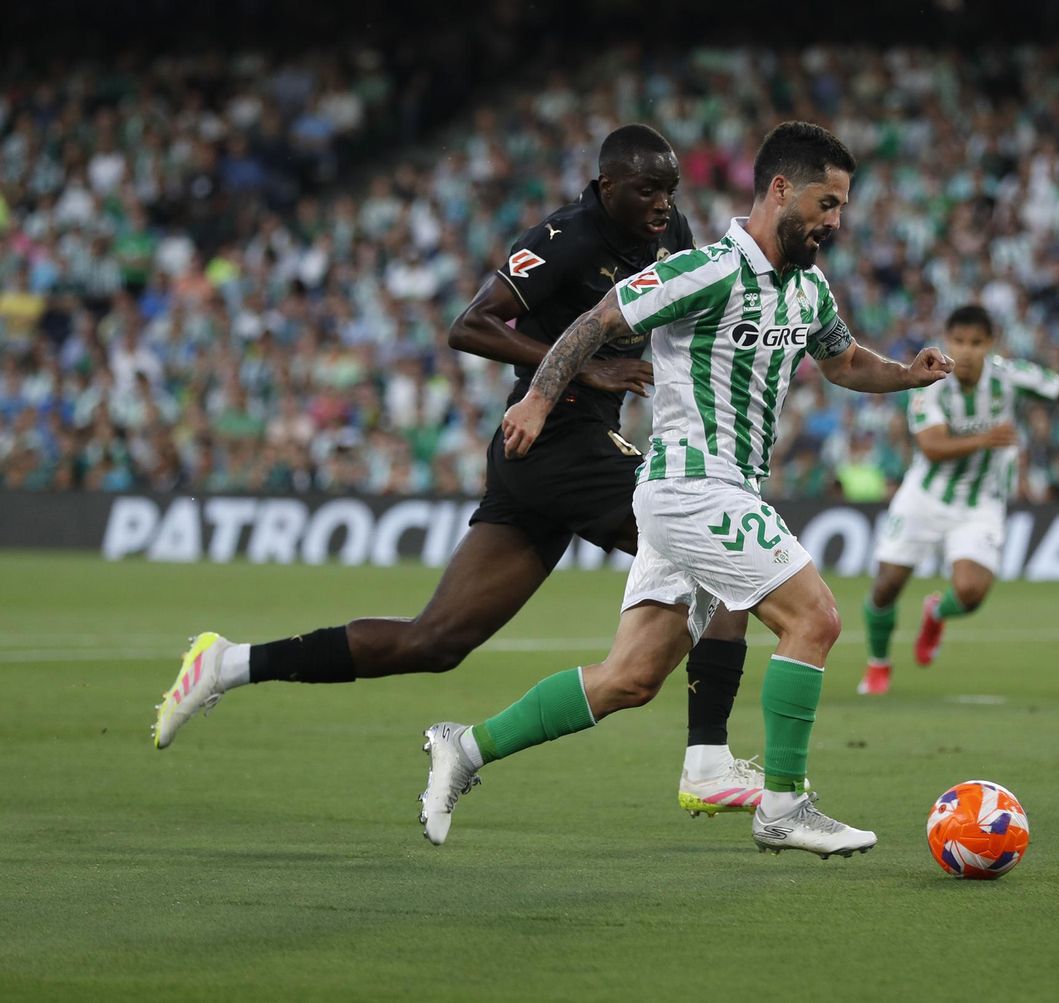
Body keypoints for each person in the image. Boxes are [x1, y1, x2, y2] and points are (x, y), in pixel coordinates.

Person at [154, 125, 768, 817]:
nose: (662, 204)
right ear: (605, 187)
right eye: (646, 190)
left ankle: (228, 663)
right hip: (555, 438)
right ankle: (708, 760)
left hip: (549, 459)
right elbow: (470, 323)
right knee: (724, 549)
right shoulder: (565, 237)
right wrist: (588, 367)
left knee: (437, 638)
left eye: (670, 189)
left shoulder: (670, 232)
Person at [415, 122, 953, 856]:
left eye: (843, 208)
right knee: (816, 618)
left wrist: (905, 373)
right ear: (780, 190)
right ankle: (784, 807)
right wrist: (539, 398)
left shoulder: (808, 288)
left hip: (708, 493)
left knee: (629, 678)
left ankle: (464, 747)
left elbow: (841, 360)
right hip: (692, 484)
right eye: (827, 204)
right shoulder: (706, 269)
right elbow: (596, 320)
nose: (836, 222)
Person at [857, 303, 1059, 695]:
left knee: (971, 593)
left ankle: (936, 613)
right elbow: (932, 446)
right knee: (886, 586)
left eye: (976, 342)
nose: (967, 350)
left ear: (990, 343)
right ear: (947, 340)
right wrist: (985, 439)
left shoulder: (1009, 376)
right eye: (958, 341)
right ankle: (878, 666)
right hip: (925, 495)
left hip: (981, 501)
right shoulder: (930, 380)